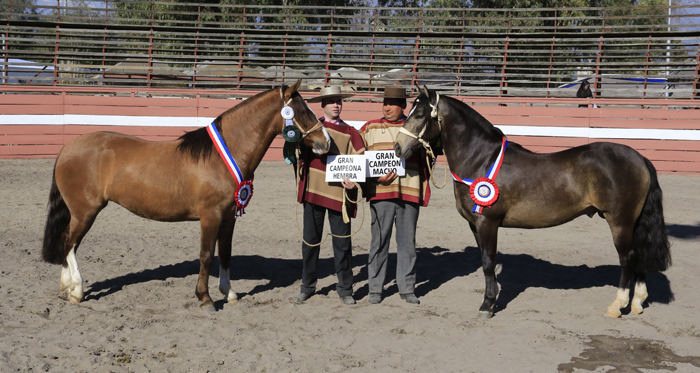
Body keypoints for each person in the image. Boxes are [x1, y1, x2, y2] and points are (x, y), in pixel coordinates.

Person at [294, 86, 366, 306]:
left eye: (339, 101)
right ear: (323, 105)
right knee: (310, 243)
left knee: (343, 245)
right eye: (331, 101)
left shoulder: (352, 133)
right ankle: (307, 286)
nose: (336, 105)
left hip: (339, 196)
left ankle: (345, 289)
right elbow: (298, 154)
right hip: (314, 193)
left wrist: (354, 181)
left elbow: (360, 162)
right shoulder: (310, 129)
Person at [359, 87, 431, 305]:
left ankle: (407, 289)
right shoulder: (369, 128)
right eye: (385, 103)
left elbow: (430, 154)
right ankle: (375, 289)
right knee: (379, 243)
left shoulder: (417, 128)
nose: (387, 107)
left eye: (392, 103)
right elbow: (357, 159)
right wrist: (373, 179)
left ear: (403, 107)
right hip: (380, 193)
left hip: (409, 192)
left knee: (407, 243)